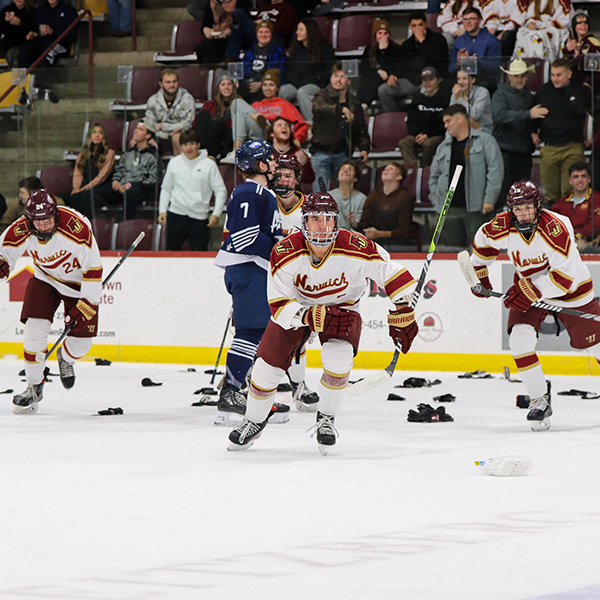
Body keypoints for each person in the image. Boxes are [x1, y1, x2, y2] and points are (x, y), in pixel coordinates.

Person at [226, 191, 420, 453]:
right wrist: (308, 316)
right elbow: (278, 303)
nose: (322, 225)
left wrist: (403, 309)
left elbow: (390, 271)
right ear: (304, 221)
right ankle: (254, 420)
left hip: (342, 308)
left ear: (336, 221)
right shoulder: (284, 252)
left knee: (339, 363)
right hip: (299, 310)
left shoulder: (355, 245)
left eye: (328, 219)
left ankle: (326, 418)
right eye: (315, 218)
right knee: (265, 369)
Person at [469, 180, 600, 430]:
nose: (523, 214)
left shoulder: (557, 228)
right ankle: (539, 400)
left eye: (528, 207)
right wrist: (481, 273)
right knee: (519, 341)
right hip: (527, 289)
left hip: (571, 290)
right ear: (511, 210)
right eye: (517, 209)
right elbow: (482, 242)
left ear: (538, 205)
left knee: (596, 347)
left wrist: (530, 291)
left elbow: (564, 278)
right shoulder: (503, 224)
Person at [0, 190, 103, 414]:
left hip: (78, 286)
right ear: (29, 220)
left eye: (48, 220)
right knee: (34, 332)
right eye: (38, 222)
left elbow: (94, 272)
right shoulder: (23, 228)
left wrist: (85, 306)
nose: (44, 226)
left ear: (55, 215)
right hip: (45, 279)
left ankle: (65, 357)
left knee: (81, 345)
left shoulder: (78, 229)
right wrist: (2, 262)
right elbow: (4, 250)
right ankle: (34, 387)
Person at [213, 140, 284, 426]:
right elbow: (243, 239)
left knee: (259, 333)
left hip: (254, 270)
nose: (276, 164)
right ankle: (231, 393)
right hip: (248, 269)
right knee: (251, 332)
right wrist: (283, 248)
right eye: (271, 159)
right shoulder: (248, 191)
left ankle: (245, 393)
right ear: (259, 164)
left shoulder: (260, 192)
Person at [269, 154, 321, 411]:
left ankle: (298, 385)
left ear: (298, 179)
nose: (283, 179)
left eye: (289, 174)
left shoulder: (309, 209)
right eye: (279, 174)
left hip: (299, 282)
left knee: (298, 334)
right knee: (257, 331)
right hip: (264, 277)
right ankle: (258, 382)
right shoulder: (262, 202)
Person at [429, 104, 503, 247]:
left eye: (448, 121)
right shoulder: (443, 146)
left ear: (461, 119)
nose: (445, 125)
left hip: (476, 209)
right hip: (448, 210)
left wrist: (489, 199)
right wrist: (436, 200)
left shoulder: (485, 140)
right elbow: (434, 176)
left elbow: (495, 171)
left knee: (479, 251)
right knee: (452, 254)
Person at [532, 58, 591, 205]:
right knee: (550, 194)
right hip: (549, 148)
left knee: (569, 193)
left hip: (573, 147)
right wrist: (533, 132)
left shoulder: (581, 90)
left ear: (569, 74)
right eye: (552, 75)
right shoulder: (543, 91)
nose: (555, 79)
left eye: (559, 75)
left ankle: (572, 226)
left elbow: (596, 112)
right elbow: (533, 114)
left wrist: (595, 137)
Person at [158, 129, 227, 251]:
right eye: (185, 144)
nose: (189, 148)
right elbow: (166, 188)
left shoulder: (209, 164)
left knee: (200, 256)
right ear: (181, 146)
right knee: (170, 256)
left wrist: (216, 213)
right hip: (176, 215)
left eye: (192, 144)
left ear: (198, 145)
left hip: (199, 218)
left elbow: (220, 190)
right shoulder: (174, 163)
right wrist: (162, 210)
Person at [492, 58, 547, 202]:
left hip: (523, 153)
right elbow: (499, 116)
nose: (520, 79)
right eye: (516, 76)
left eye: (522, 76)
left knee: (522, 197)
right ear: (509, 76)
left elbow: (530, 122)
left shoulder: (529, 97)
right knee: (503, 193)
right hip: (505, 152)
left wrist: (533, 132)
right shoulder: (500, 94)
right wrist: (528, 114)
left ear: (527, 77)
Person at [310, 62, 370, 191]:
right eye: (336, 76)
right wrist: (341, 109)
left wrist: (364, 148)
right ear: (331, 78)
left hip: (342, 153)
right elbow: (318, 107)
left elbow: (361, 130)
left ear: (348, 81)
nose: (338, 80)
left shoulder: (354, 103)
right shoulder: (322, 95)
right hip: (321, 151)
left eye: (342, 77)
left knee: (346, 192)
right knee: (320, 194)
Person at [379, 11, 448, 113]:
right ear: (410, 27)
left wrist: (422, 41)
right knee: (383, 90)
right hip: (410, 81)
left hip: (430, 80)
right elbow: (401, 64)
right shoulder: (407, 45)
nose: (418, 29)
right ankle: (393, 119)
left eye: (420, 25)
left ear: (426, 24)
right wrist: (393, 75)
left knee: (428, 91)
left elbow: (438, 60)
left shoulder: (438, 40)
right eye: (414, 26)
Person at [279, 18, 334, 124]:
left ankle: (311, 124)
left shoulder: (324, 48)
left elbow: (330, 70)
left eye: (301, 30)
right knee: (283, 91)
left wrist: (315, 78)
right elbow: (289, 69)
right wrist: (295, 79)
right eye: (297, 29)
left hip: (316, 84)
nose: (297, 32)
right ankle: (285, 123)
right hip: (296, 83)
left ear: (310, 31)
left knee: (302, 92)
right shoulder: (295, 50)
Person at [352, 162, 416, 249]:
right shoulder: (373, 195)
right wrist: (354, 223)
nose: (385, 170)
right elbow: (365, 223)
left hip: (398, 242)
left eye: (391, 169)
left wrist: (380, 234)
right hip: (376, 241)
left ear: (399, 177)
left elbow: (404, 229)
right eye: (385, 168)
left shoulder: (404, 197)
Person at [397, 66, 449, 167]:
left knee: (428, 144)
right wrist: (417, 134)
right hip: (419, 134)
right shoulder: (417, 97)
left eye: (431, 79)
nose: (427, 83)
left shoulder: (445, 98)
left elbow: (444, 123)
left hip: (437, 135)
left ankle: (425, 169)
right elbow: (411, 120)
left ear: (438, 80)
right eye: (425, 80)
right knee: (404, 143)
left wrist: (427, 135)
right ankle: (412, 169)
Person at [66, 122, 119, 220]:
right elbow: (78, 174)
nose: (97, 135)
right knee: (68, 196)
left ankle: (87, 225)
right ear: (90, 135)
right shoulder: (82, 155)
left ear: (104, 136)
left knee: (84, 195)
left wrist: (83, 189)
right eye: (94, 132)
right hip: (84, 186)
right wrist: (76, 188)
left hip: (101, 187)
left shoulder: (109, 153)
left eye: (100, 133)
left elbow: (101, 177)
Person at [111, 120, 161, 220]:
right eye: (136, 128)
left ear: (148, 136)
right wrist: (116, 181)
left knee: (130, 194)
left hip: (143, 189)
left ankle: (126, 226)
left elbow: (153, 180)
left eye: (140, 129)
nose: (135, 131)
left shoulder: (153, 156)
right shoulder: (127, 154)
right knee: (94, 193)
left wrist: (132, 184)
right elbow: (119, 171)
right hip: (123, 186)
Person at [145, 68, 196, 156]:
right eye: (168, 82)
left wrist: (162, 126)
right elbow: (150, 124)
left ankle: (183, 168)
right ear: (161, 84)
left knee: (177, 138)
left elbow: (187, 124)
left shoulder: (187, 99)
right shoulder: (153, 100)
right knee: (139, 141)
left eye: (174, 81)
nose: (172, 85)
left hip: (181, 136)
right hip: (159, 137)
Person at [251, 69, 309, 145]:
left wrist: (298, 138)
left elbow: (301, 125)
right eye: (265, 85)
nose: (267, 88)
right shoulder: (255, 105)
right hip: (256, 137)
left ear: (277, 88)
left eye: (271, 85)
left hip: (276, 139)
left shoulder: (284, 105)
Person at [551, 162, 600, 251]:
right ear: (570, 181)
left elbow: (595, 225)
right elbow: (551, 224)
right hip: (564, 242)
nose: (580, 180)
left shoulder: (596, 198)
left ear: (589, 179)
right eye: (576, 177)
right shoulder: (561, 203)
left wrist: (577, 235)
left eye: (583, 176)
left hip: (587, 242)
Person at [449, 7, 502, 87]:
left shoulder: (491, 39)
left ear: (480, 20)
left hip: (484, 81)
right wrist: (458, 63)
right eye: (465, 19)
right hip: (463, 81)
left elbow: (496, 66)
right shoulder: (459, 41)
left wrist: (476, 61)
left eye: (472, 19)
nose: (468, 22)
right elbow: (450, 69)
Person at [18, 0, 78, 68]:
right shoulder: (40, 8)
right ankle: (22, 77)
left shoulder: (70, 10)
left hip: (60, 44)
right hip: (41, 43)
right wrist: (33, 33)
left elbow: (73, 36)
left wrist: (52, 32)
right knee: (24, 51)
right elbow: (35, 28)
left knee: (48, 55)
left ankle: (44, 78)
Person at [357, 18, 403, 107]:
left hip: (389, 82)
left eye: (386, 33)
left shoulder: (396, 49)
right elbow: (364, 69)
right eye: (380, 33)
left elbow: (395, 68)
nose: (383, 36)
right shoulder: (369, 50)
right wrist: (378, 71)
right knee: (368, 78)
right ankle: (359, 104)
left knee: (375, 77)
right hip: (370, 83)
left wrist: (383, 52)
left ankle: (365, 105)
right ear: (375, 35)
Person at [240, 19, 286, 103]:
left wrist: (262, 84)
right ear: (257, 34)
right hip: (250, 85)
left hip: (266, 86)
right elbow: (243, 70)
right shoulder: (251, 50)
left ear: (271, 34)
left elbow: (278, 73)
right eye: (260, 32)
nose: (263, 35)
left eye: (267, 32)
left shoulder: (277, 50)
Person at [0, 175, 64, 235]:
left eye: (22, 193)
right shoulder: (16, 203)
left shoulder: (56, 204)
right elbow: (4, 224)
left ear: (33, 194)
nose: (20, 195)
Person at [194, 72, 235, 160]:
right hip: (208, 138)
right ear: (218, 88)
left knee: (215, 124)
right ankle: (202, 151)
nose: (226, 87)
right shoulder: (210, 104)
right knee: (204, 114)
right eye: (223, 84)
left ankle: (212, 154)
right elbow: (197, 123)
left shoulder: (238, 103)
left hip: (227, 137)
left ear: (233, 87)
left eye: (229, 84)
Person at [266, 115, 315, 186]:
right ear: (272, 133)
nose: (284, 127)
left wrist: (305, 166)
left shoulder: (299, 154)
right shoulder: (266, 154)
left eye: (286, 125)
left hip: (293, 194)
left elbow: (309, 180)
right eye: (279, 125)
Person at [563, 12, 600, 87]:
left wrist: (578, 57)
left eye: (585, 23)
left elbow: (596, 64)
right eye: (579, 23)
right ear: (574, 27)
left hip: (588, 81)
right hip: (571, 80)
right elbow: (564, 63)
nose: (583, 25)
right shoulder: (570, 42)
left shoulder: (592, 42)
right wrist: (567, 50)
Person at [329, 160, 366, 231]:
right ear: (337, 177)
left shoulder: (362, 199)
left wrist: (353, 222)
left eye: (350, 170)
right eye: (342, 169)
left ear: (355, 178)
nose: (345, 171)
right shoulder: (328, 196)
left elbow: (360, 226)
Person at [0, 0, 35, 66]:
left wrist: (20, 23)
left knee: (14, 54)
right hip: (7, 42)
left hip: (23, 43)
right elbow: (2, 29)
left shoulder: (32, 10)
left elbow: (32, 30)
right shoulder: (7, 9)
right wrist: (6, 21)